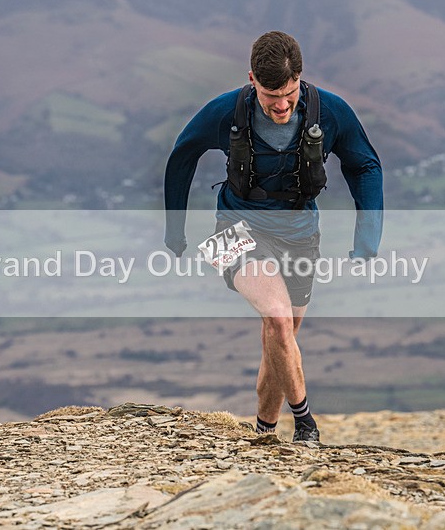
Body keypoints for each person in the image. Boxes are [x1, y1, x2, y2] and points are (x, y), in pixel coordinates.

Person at [164, 31, 383, 442]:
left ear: (300, 77)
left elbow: (365, 165)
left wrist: (368, 234)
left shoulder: (329, 112)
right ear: (252, 80)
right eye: (270, 96)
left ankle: (264, 431)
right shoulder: (226, 111)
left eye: (289, 93)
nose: (281, 105)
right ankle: (307, 425)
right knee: (279, 319)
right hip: (233, 230)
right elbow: (182, 155)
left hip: (300, 235)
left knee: (281, 337)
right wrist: (175, 230)